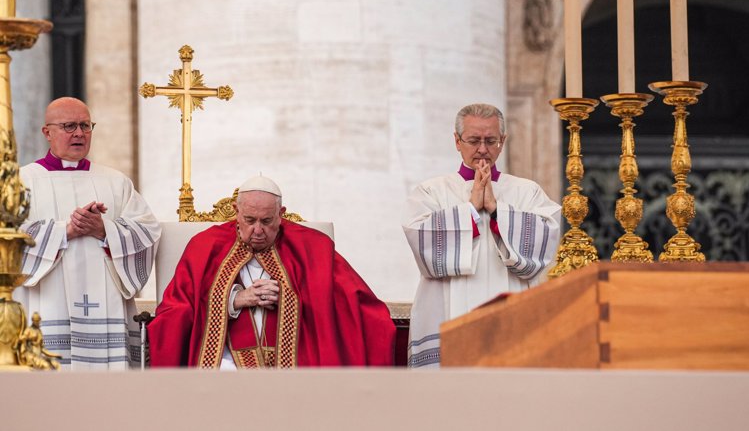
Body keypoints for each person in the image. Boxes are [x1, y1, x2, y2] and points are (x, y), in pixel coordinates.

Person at [148, 175, 396, 368]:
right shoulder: (205, 246)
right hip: (226, 362)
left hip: (296, 361)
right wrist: (234, 300)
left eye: (266, 221)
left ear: (281, 214)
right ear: (236, 211)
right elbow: (176, 308)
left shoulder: (312, 247)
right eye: (249, 220)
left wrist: (289, 298)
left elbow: (347, 303)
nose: (257, 230)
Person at [402, 103, 561, 368]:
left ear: (503, 141)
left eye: (491, 141)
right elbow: (421, 241)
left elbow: (544, 241)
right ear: (457, 141)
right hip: (447, 312)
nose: (483, 149)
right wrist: (471, 209)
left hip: (512, 315)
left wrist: (497, 211)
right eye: (474, 140)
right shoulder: (431, 191)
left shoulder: (527, 191)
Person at [15, 97, 162, 370]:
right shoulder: (21, 182)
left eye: (85, 125)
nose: (79, 133)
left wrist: (105, 230)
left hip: (106, 309)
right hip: (45, 305)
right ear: (47, 132)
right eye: (69, 126)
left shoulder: (115, 182)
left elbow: (147, 230)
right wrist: (64, 231)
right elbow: (9, 237)